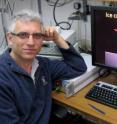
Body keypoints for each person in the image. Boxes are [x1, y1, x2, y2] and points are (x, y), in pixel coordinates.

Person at [0, 9, 87, 124]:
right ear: (10, 39)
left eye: (37, 35)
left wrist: (57, 38)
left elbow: (78, 67)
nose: (31, 42)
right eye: (23, 35)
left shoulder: (43, 65)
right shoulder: (3, 78)